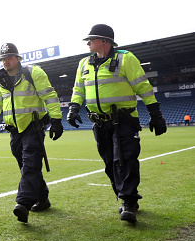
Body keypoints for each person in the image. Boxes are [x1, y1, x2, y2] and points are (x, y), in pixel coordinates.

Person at [67, 24, 167, 223]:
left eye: (91, 39)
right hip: (99, 123)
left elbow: (143, 87)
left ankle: (128, 201)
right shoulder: (84, 64)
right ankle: (123, 196)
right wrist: (73, 108)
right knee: (109, 163)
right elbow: (78, 89)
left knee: (125, 158)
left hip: (123, 119)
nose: (87, 43)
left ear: (104, 41)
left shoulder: (125, 58)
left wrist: (155, 113)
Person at [0, 43, 63, 223]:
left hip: (33, 127)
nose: (5, 61)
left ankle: (23, 203)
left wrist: (57, 120)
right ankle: (42, 199)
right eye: (3, 58)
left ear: (18, 58)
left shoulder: (33, 73)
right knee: (28, 166)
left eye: (9, 57)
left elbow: (49, 95)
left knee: (30, 163)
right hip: (14, 130)